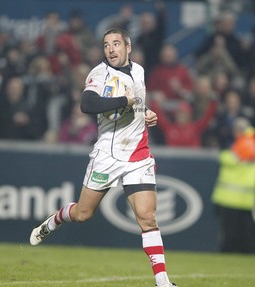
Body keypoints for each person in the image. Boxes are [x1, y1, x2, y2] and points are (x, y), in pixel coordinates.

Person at [29, 28, 177, 287]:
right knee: (84, 213)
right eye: (107, 44)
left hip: (138, 154)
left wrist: (146, 113)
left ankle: (163, 282)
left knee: (147, 216)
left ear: (128, 47)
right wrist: (125, 102)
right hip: (107, 156)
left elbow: (137, 101)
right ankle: (55, 220)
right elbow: (87, 105)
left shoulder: (140, 71)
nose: (111, 49)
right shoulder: (99, 74)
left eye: (116, 43)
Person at [211, 117, 255, 253]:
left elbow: (231, 160)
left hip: (234, 197)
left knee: (233, 230)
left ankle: (232, 250)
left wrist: (221, 153)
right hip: (241, 197)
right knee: (241, 228)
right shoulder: (249, 141)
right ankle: (242, 251)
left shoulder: (246, 143)